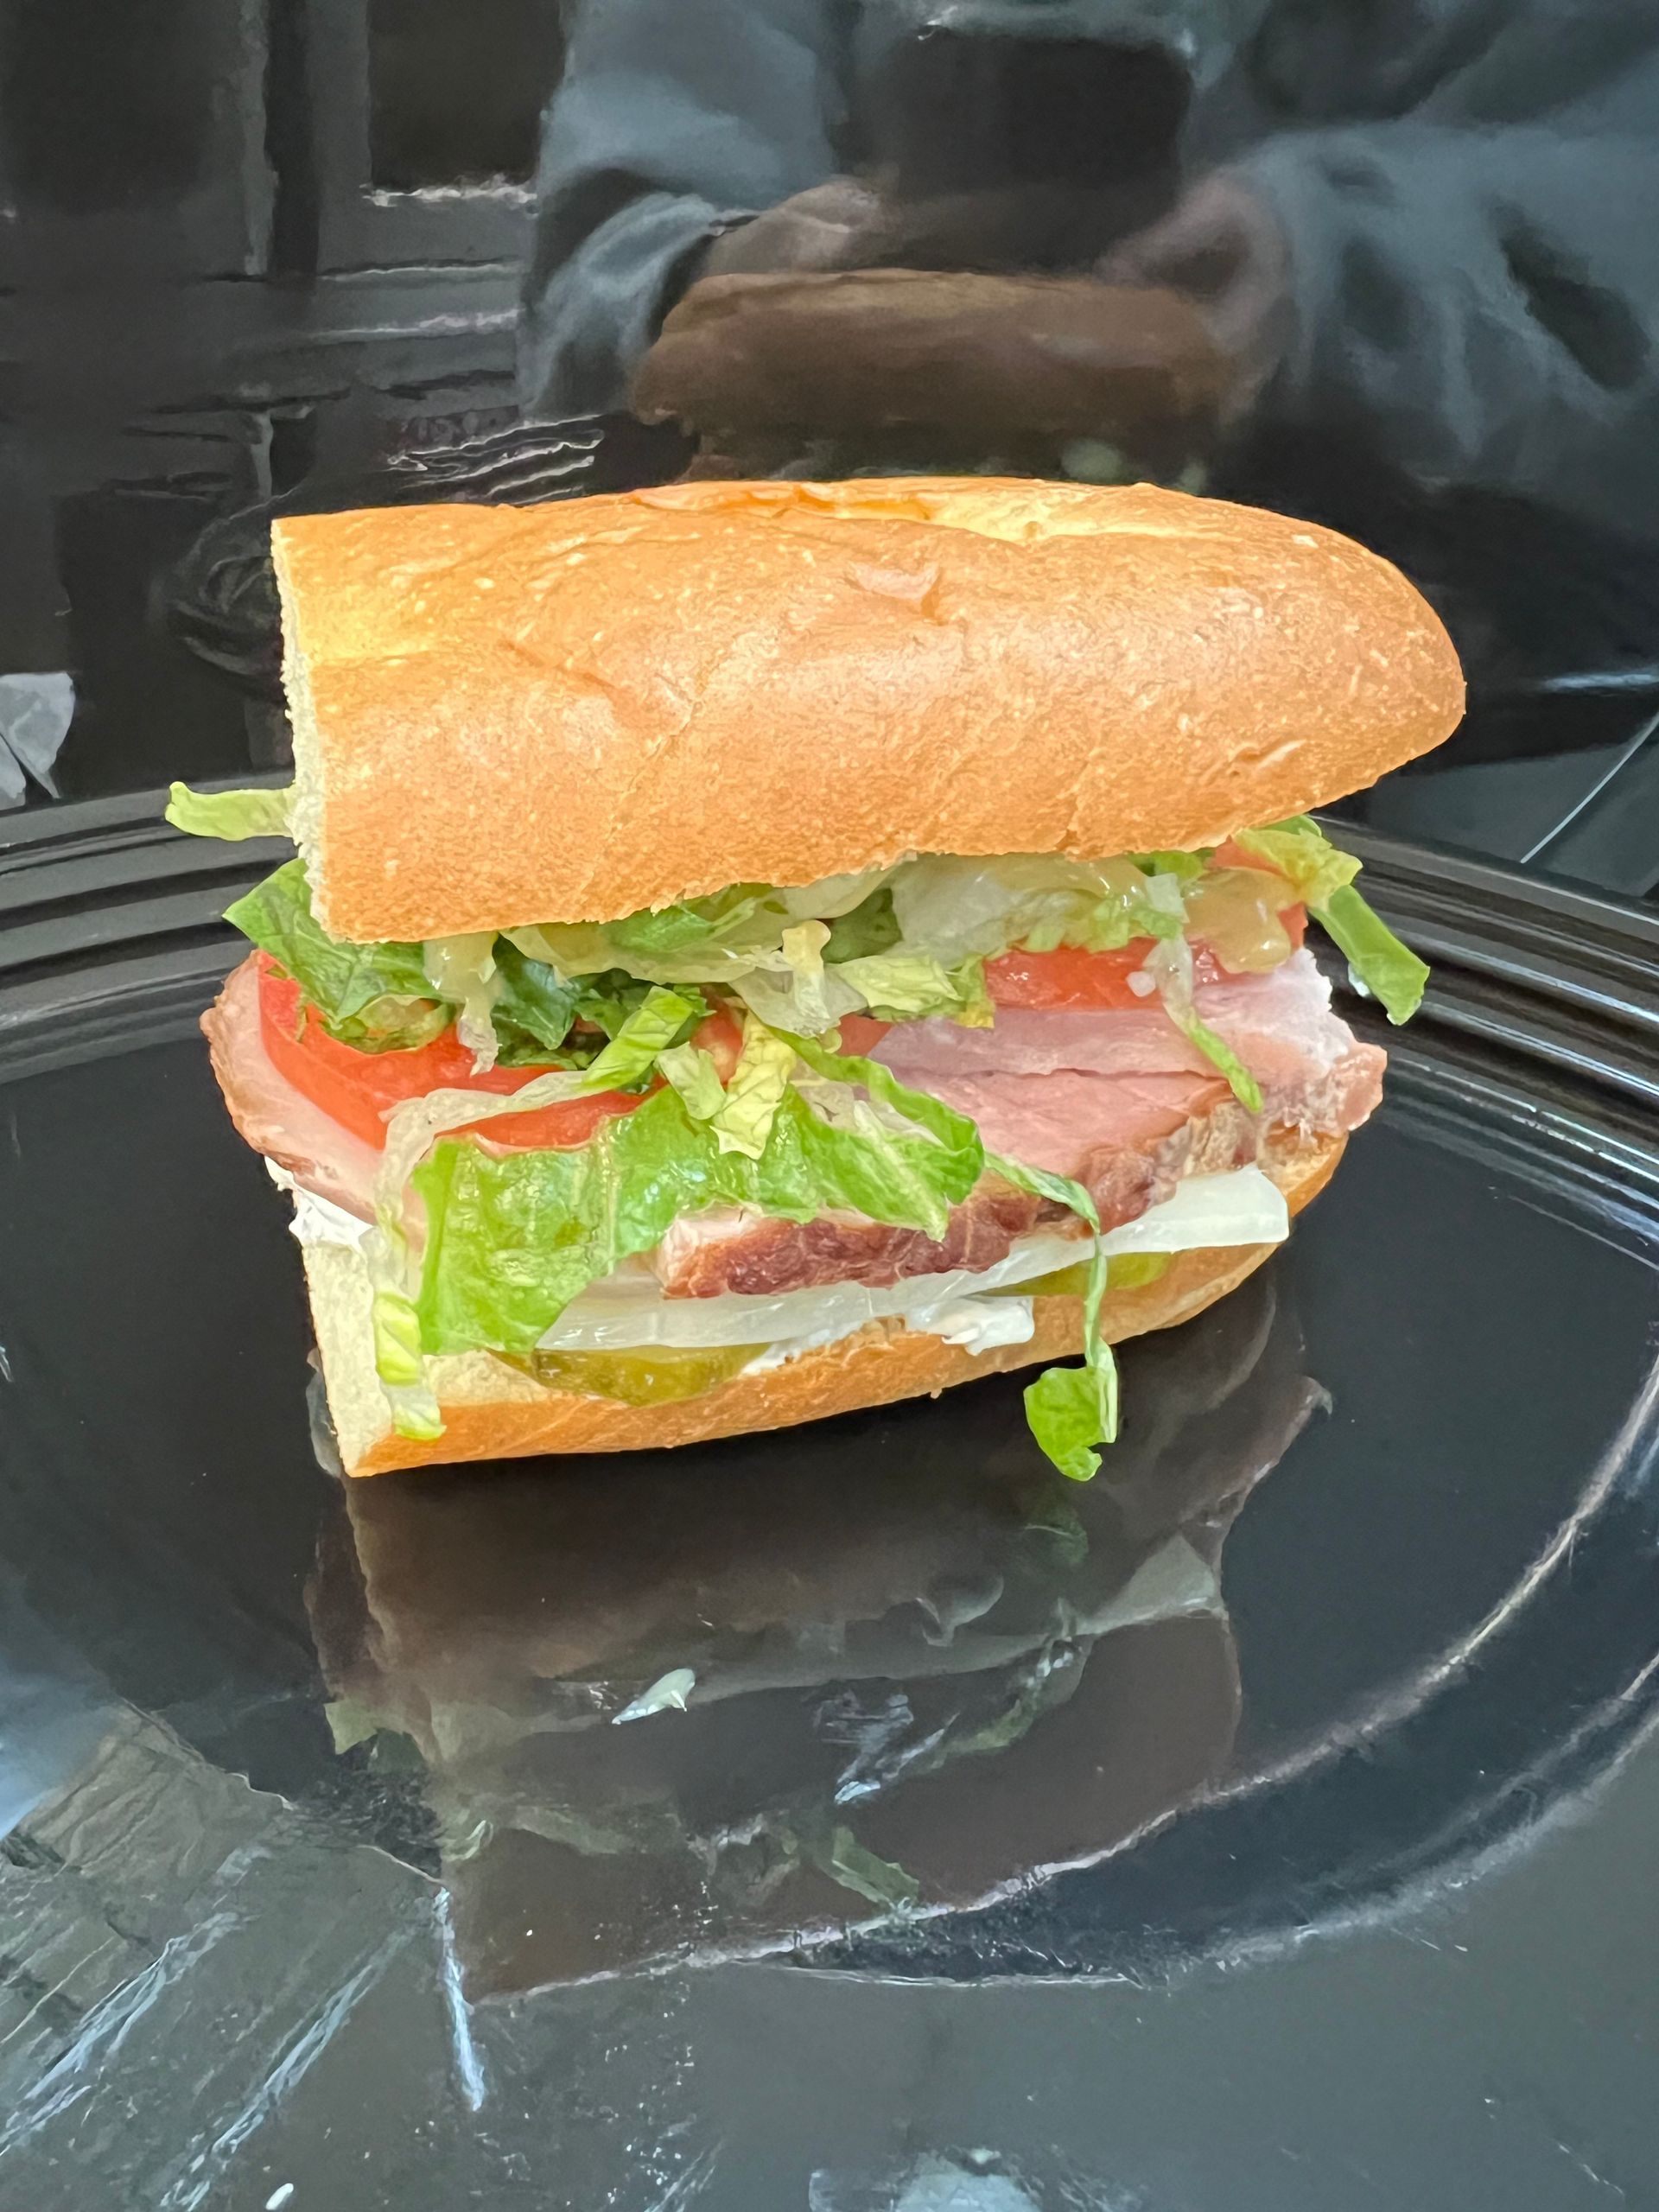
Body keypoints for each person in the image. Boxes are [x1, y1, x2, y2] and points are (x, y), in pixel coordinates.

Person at [521, 0, 1659, 543]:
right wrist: (730, 275)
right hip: (816, 566)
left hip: (1514, 679)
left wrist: (1348, 260)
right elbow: (607, 256)